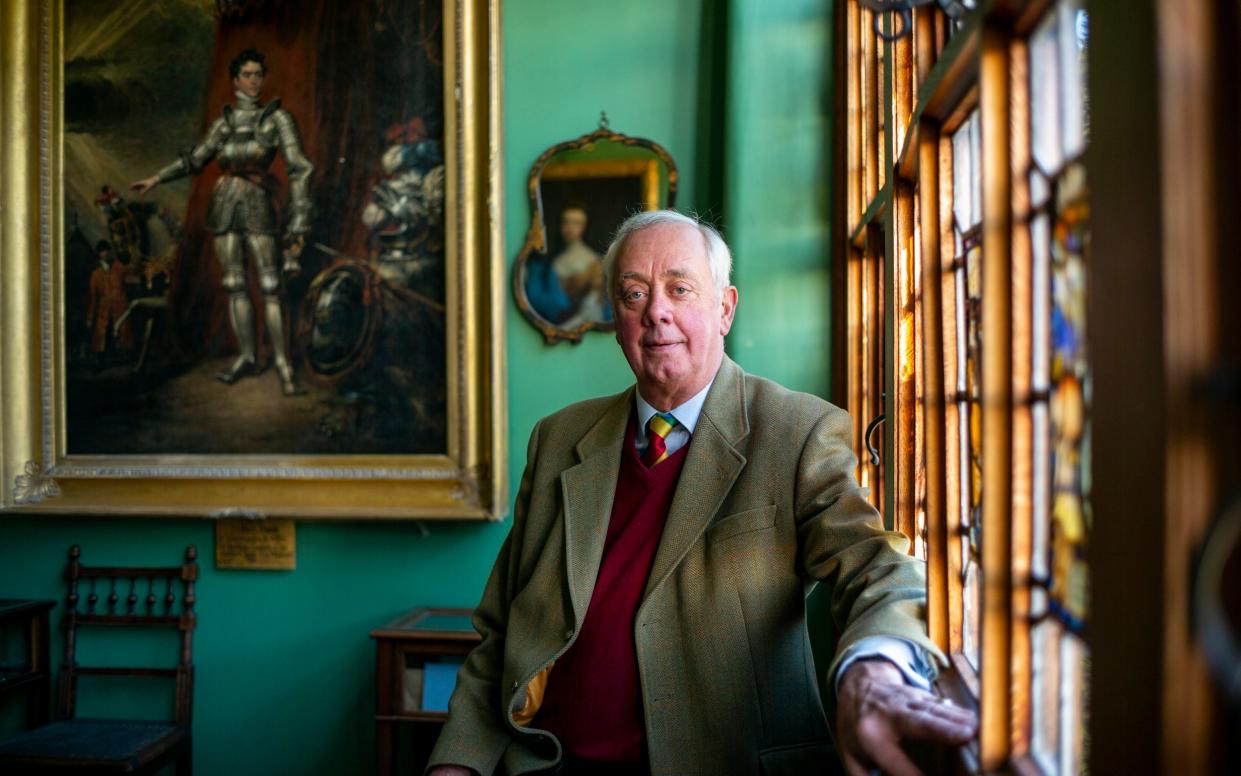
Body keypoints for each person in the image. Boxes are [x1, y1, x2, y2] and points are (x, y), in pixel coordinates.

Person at [428, 211, 977, 776]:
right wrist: (457, 764)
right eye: (633, 293)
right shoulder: (559, 439)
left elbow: (881, 567)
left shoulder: (795, 432)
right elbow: (500, 632)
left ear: (725, 308)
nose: (656, 312)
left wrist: (877, 671)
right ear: (616, 320)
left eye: (679, 289)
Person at [130, 47, 314, 396]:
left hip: (260, 201)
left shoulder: (277, 119)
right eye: (247, 74)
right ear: (235, 80)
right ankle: (246, 356)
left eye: (258, 74)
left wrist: (300, 220)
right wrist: (156, 178)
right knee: (233, 283)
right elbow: (195, 160)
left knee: (272, 286)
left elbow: (301, 169)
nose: (254, 81)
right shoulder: (224, 123)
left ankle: (283, 365)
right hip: (224, 202)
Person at [86, 240, 133, 358]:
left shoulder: (118, 268)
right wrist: (90, 317)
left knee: (121, 331)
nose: (105, 253)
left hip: (120, 306)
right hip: (104, 309)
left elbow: (130, 274)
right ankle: (103, 357)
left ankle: (122, 355)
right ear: (99, 254)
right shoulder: (96, 274)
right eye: (102, 251)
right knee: (103, 334)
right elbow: (93, 297)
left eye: (107, 250)